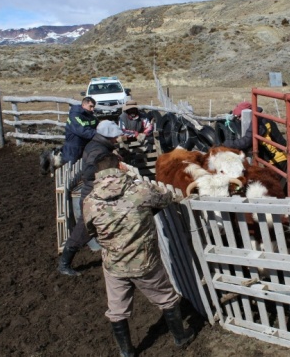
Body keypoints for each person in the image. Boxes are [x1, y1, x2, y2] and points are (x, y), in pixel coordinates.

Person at [83, 153, 195, 356]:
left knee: (117, 310)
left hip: (114, 264)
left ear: (98, 173)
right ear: (120, 166)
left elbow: (91, 231)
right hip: (144, 262)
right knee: (167, 299)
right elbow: (165, 199)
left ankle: (127, 352)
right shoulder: (140, 191)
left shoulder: (90, 201)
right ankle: (180, 336)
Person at [57, 120, 124, 276]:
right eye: (114, 137)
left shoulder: (96, 145)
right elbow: (89, 172)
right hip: (93, 196)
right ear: (107, 137)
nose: (116, 140)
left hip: (96, 194)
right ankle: (64, 264)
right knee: (83, 231)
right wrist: (112, 165)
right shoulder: (98, 150)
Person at [222, 101, 288, 174]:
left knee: (275, 184)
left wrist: (228, 144)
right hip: (275, 159)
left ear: (248, 114)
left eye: (240, 116)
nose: (239, 119)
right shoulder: (259, 118)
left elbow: (246, 141)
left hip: (278, 160)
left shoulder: (258, 123)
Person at [61, 97, 99, 164]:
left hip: (85, 146)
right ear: (83, 105)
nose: (92, 109)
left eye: (93, 107)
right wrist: (98, 134)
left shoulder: (91, 117)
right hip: (73, 148)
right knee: (71, 168)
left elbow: (98, 126)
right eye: (91, 106)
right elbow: (82, 130)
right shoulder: (75, 115)